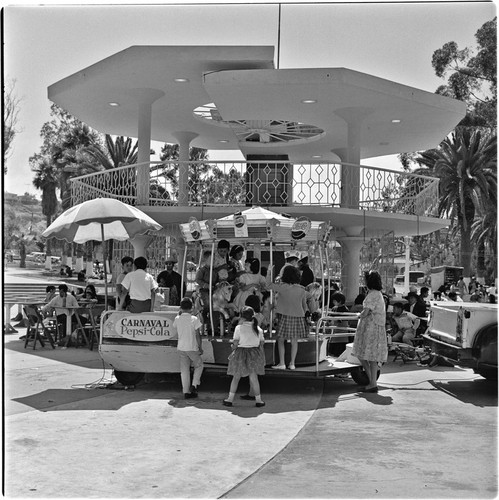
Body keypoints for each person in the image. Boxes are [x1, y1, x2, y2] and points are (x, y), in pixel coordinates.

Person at [269, 265, 317, 370]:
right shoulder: (301, 289)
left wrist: (269, 272)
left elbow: (268, 285)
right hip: (298, 317)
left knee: (281, 340)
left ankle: (282, 363)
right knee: (294, 341)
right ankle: (292, 363)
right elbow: (306, 302)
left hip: (285, 316)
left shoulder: (282, 287)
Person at [351, 271, 388, 393]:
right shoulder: (379, 294)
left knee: (367, 356)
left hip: (370, 328)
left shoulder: (372, 295)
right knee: (368, 356)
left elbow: (366, 312)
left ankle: (372, 382)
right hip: (376, 327)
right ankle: (372, 380)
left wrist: (358, 315)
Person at [223, 306, 266, 408]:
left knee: (236, 377)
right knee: (254, 378)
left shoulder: (238, 328)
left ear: (241, 317)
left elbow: (235, 343)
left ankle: (230, 399)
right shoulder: (258, 329)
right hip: (254, 354)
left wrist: (232, 347)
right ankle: (259, 401)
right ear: (253, 316)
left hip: (240, 353)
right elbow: (261, 344)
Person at [173, 297, 203, 399]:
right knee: (199, 365)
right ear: (192, 308)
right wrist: (200, 347)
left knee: (184, 370)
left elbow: (175, 326)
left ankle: (186, 392)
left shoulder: (177, 319)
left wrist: (179, 313)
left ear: (181, 307)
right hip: (192, 347)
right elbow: (198, 335)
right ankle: (194, 385)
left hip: (181, 347)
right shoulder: (194, 319)